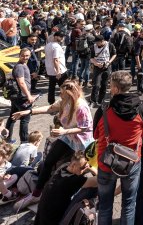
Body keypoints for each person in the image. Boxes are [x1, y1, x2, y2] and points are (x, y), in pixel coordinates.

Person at [13, 79, 94, 211]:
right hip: (68, 137)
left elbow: (85, 128)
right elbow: (50, 108)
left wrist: (64, 131)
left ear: (71, 94)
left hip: (81, 142)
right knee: (49, 161)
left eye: (63, 94)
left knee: (75, 170)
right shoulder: (64, 102)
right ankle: (36, 194)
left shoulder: (81, 107)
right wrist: (28, 112)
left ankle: (72, 198)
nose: (61, 96)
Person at [93, 71, 143, 225]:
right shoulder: (141, 108)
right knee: (129, 205)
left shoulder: (104, 108)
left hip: (106, 162)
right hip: (131, 162)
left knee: (104, 206)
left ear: (116, 89)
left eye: (111, 85)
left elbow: (95, 135)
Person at [33, 151, 97, 225]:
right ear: (73, 165)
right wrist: (91, 167)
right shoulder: (73, 180)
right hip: (53, 221)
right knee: (93, 188)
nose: (84, 170)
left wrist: (85, 166)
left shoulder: (64, 166)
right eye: (82, 167)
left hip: (41, 218)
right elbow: (101, 180)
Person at [5, 48, 36, 143]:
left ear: (30, 55)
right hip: (21, 97)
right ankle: (24, 142)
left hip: (17, 97)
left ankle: (7, 139)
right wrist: (29, 96)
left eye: (27, 55)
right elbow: (21, 83)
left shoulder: (23, 65)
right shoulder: (19, 67)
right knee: (25, 119)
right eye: (23, 55)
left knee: (12, 117)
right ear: (19, 55)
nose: (25, 57)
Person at [90, 34, 117, 107]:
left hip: (107, 67)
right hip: (97, 67)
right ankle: (93, 101)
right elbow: (91, 57)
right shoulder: (93, 47)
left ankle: (100, 100)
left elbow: (114, 54)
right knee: (96, 85)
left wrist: (109, 62)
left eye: (97, 42)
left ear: (102, 41)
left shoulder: (110, 45)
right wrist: (96, 63)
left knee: (104, 85)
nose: (96, 43)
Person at [44, 30, 68, 105]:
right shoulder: (56, 47)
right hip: (59, 70)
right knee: (64, 87)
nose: (62, 38)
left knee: (51, 87)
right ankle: (65, 102)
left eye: (62, 37)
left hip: (50, 70)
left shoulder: (48, 45)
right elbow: (56, 59)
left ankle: (51, 102)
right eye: (61, 37)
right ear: (55, 37)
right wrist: (58, 72)